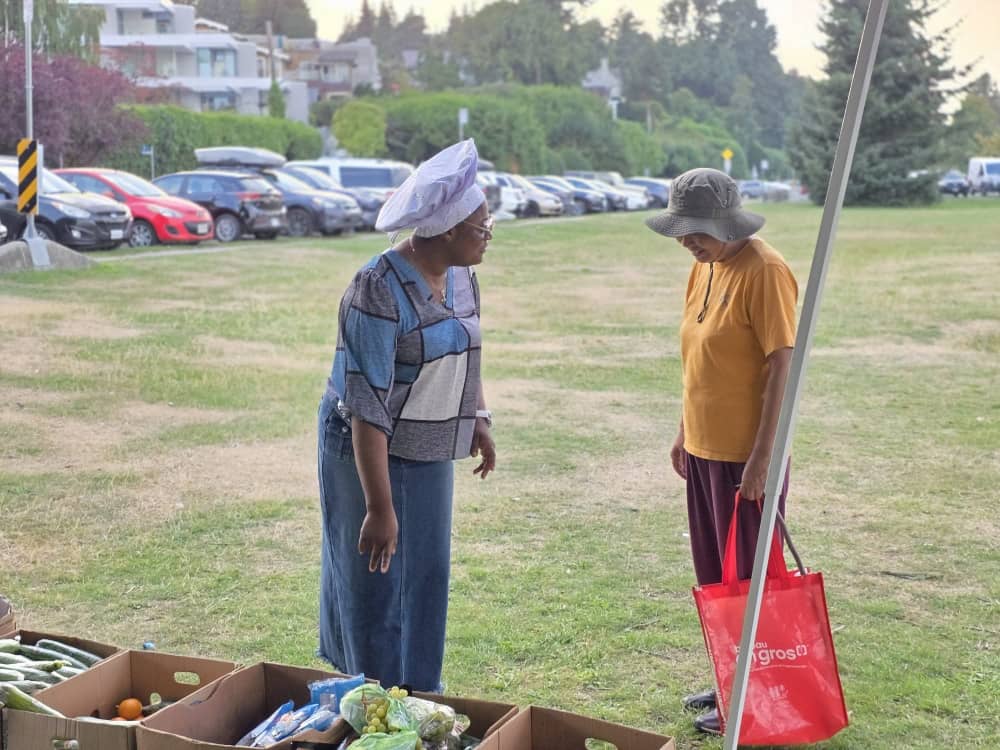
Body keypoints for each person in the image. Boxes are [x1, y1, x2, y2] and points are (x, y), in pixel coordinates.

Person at [317, 139, 497, 693]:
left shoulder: (461, 275)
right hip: (367, 447)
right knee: (377, 573)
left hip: (426, 445)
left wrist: (478, 416)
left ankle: (419, 695)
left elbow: (466, 347)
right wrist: (379, 506)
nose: (489, 236)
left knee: (425, 572)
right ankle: (371, 697)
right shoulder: (377, 288)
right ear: (446, 232)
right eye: (482, 228)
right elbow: (367, 408)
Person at [644, 168, 798, 735]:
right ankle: (731, 676)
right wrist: (685, 429)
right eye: (680, 230)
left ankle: (760, 694)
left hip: (745, 457)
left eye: (695, 229)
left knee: (751, 578)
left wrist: (763, 458)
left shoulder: (766, 270)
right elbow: (700, 360)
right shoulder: (704, 266)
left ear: (727, 223)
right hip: (705, 450)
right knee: (716, 576)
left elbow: (782, 368)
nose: (685, 239)